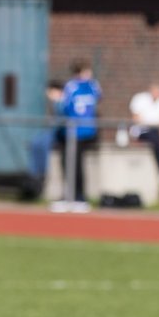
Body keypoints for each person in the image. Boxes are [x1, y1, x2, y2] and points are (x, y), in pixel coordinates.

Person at [50, 60, 102, 213]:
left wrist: (57, 100)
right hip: (72, 132)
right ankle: (70, 197)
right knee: (70, 165)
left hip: (78, 132)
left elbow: (64, 107)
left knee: (75, 165)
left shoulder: (77, 86)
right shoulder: (90, 86)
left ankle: (78, 198)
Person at [23, 80, 63, 199]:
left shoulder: (63, 102)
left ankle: (42, 173)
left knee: (44, 142)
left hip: (60, 132)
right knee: (36, 142)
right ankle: (34, 173)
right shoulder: (53, 104)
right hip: (52, 131)